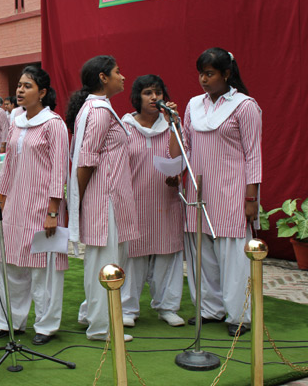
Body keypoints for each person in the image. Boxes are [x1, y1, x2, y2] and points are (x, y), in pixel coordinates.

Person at [169, 47, 262, 337]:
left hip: (232, 191)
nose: (203, 79)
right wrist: (177, 170)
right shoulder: (193, 105)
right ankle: (210, 309)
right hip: (198, 191)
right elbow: (186, 146)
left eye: (209, 74)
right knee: (202, 254)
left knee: (233, 257)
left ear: (227, 74)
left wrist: (251, 198)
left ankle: (239, 316)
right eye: (201, 74)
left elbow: (253, 155)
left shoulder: (245, 106)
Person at [0, 66, 69, 345]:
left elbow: (59, 170)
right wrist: (2, 202)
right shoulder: (16, 121)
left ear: (42, 92)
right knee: (10, 265)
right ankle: (8, 322)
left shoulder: (53, 124)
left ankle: (45, 326)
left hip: (42, 206)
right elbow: (8, 165)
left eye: (27, 86)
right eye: (19, 85)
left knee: (43, 269)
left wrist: (53, 211)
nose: (20, 90)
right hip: (15, 205)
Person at [66, 55, 138, 342]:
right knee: (104, 263)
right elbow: (86, 160)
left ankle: (92, 315)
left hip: (108, 197)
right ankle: (100, 327)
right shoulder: (98, 112)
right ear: (103, 78)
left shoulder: (99, 108)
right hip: (103, 199)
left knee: (104, 260)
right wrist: (78, 201)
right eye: (118, 72)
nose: (123, 76)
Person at [119, 75, 185, 328]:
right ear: (137, 97)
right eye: (148, 93)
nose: (154, 97)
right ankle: (127, 308)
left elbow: (177, 157)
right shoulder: (125, 126)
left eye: (158, 92)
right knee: (133, 256)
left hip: (165, 201)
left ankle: (167, 307)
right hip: (134, 202)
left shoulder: (171, 123)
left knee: (167, 254)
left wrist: (173, 125)